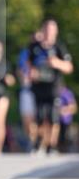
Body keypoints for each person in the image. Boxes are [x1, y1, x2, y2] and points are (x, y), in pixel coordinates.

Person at [23, 18, 74, 155]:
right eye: (46, 29)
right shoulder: (34, 47)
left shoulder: (59, 47)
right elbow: (27, 65)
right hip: (38, 88)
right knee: (39, 116)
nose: (49, 33)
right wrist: (31, 73)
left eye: (52, 30)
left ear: (55, 32)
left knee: (53, 117)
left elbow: (69, 67)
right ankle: (39, 143)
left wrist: (57, 63)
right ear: (42, 30)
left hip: (54, 88)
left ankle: (51, 146)